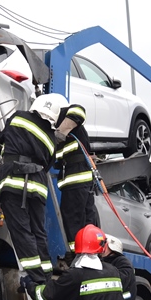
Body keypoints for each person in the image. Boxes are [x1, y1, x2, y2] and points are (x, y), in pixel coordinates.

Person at [0, 93, 68, 282]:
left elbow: (2, 138)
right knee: (38, 231)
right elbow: (48, 164)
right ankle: (45, 272)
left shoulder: (18, 116)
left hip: (14, 181)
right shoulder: (52, 138)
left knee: (22, 230)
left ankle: (37, 279)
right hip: (37, 186)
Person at [55, 103, 97, 252]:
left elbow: (79, 110)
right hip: (83, 180)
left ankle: (79, 254)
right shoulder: (70, 131)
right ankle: (91, 252)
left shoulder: (65, 117)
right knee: (87, 220)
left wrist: (60, 132)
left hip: (75, 179)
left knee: (73, 219)